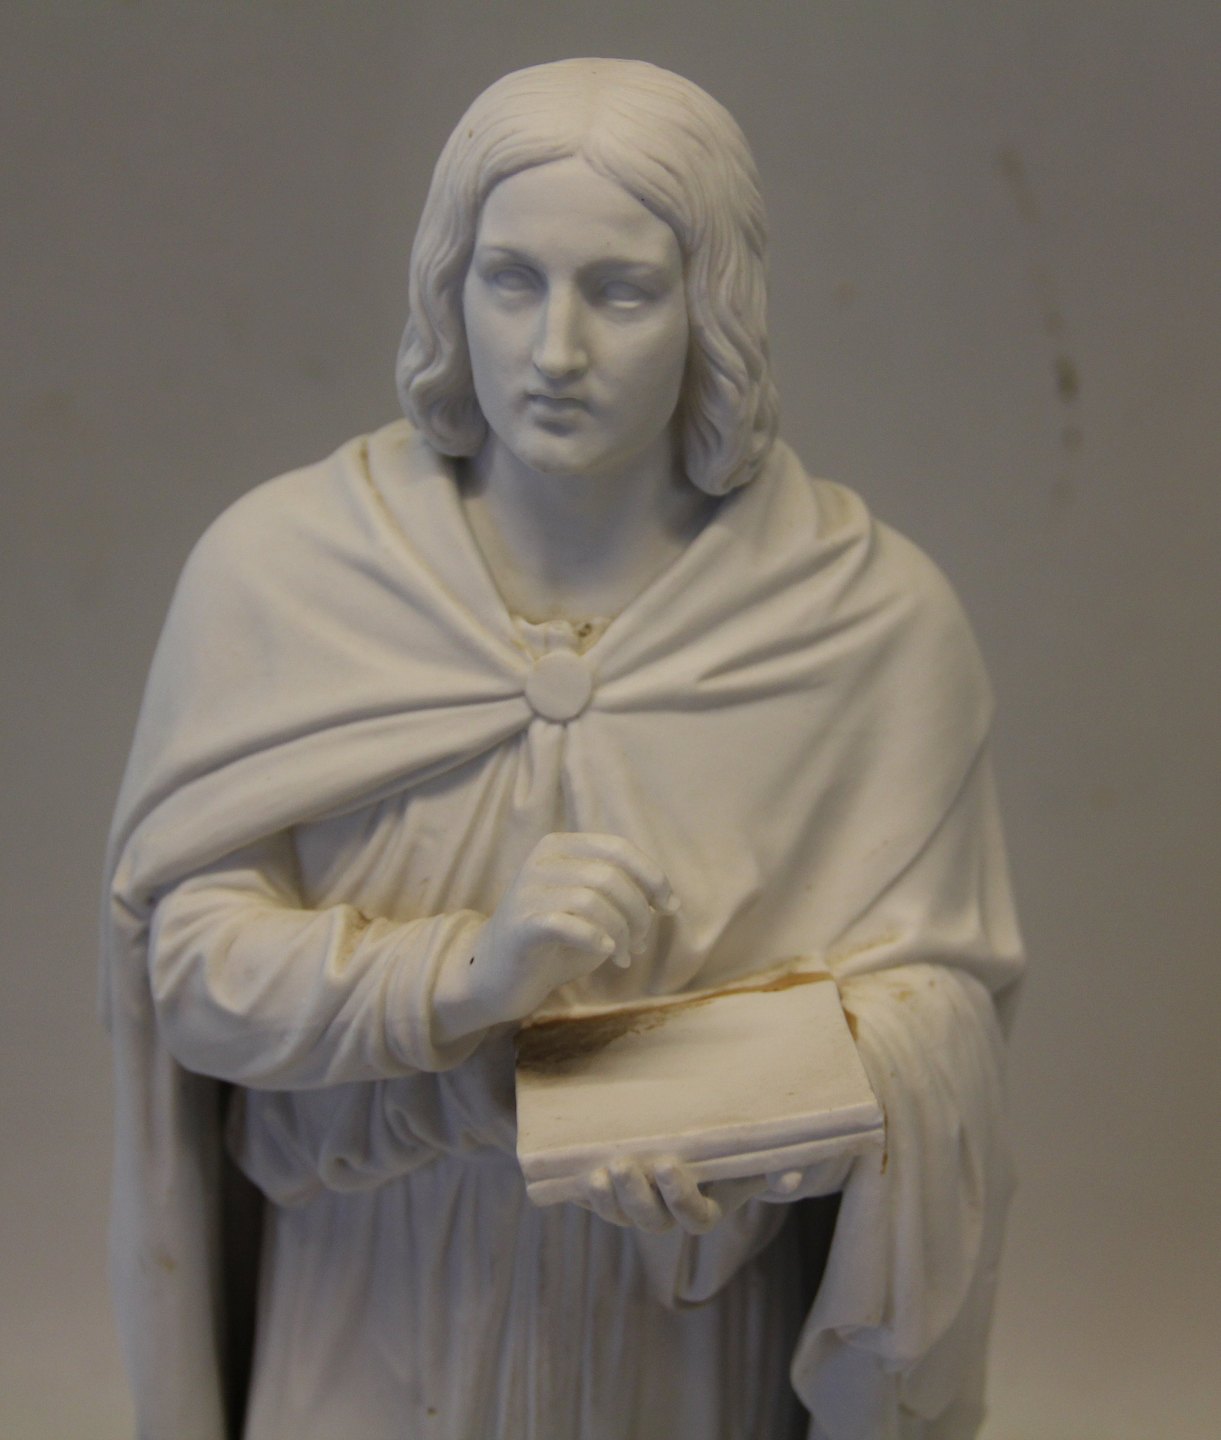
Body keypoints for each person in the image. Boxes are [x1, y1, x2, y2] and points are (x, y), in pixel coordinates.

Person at [104, 59, 1023, 1440]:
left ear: (713, 307)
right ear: (446, 284)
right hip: (371, 1307)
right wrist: (464, 977)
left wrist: (707, 1119)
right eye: (510, 280)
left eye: (622, 292)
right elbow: (189, 971)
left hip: (675, 1321)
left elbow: (934, 1022)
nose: (553, 350)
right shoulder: (286, 577)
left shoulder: (863, 624)